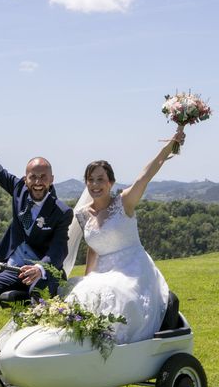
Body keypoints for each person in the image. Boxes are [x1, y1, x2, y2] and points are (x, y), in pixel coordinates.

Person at [62, 126, 186, 344]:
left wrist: (171, 145)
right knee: (82, 290)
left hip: (133, 268)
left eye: (100, 179)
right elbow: (93, 248)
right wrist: (87, 276)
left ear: (111, 182)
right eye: (90, 180)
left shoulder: (124, 202)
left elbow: (146, 175)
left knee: (116, 294)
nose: (95, 185)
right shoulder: (82, 214)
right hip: (103, 271)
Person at [0, 107, 73, 303]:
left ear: (52, 179)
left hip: (42, 273)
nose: (37, 182)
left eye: (43, 177)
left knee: (38, 298)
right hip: (13, 268)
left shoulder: (61, 212)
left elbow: (59, 249)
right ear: (26, 179)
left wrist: (40, 268)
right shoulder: (18, 189)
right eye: (33, 177)